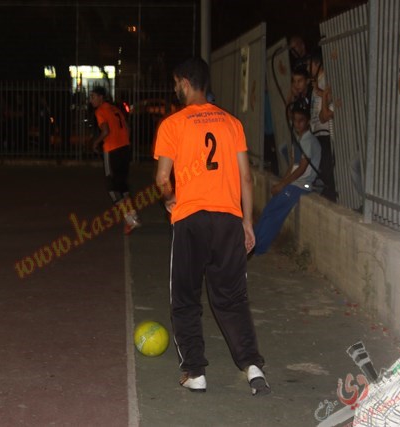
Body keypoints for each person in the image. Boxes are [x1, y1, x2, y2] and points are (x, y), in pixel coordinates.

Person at [153, 57, 269, 396]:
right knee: (232, 299)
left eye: (176, 82)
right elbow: (246, 177)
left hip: (191, 220)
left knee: (185, 298)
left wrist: (169, 198)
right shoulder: (232, 123)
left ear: (186, 83)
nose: (175, 88)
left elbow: (162, 178)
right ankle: (253, 367)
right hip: (228, 220)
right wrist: (247, 222)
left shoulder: (173, 124)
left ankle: (195, 372)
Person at [254, 101, 321, 255]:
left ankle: (260, 247)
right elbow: (292, 165)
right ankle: (255, 241)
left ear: (308, 121)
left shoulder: (309, 141)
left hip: (300, 185)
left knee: (275, 215)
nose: (297, 124)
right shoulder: (298, 140)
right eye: (295, 121)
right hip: (293, 184)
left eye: (301, 121)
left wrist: (283, 184)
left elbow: (302, 168)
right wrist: (281, 184)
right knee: (269, 210)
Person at [89, 86, 140, 234]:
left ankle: (130, 218)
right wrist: (124, 141)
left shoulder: (100, 111)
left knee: (111, 187)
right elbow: (128, 128)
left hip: (112, 150)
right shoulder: (115, 109)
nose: (91, 100)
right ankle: (133, 217)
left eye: (93, 97)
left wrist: (95, 142)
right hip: (125, 148)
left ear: (100, 97)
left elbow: (106, 131)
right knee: (122, 184)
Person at [309, 51, 337, 202]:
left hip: (325, 131)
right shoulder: (317, 82)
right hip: (317, 130)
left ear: (315, 64)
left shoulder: (326, 79)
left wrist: (323, 94)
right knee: (321, 166)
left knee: (326, 168)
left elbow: (325, 112)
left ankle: (331, 194)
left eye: (309, 65)